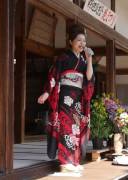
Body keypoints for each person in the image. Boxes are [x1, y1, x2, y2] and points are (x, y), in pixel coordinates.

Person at [37, 24, 95, 172]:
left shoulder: (82, 61)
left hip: (77, 101)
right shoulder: (63, 58)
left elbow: (89, 78)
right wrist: (47, 92)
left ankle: (74, 160)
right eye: (78, 40)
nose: (82, 44)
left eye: (84, 41)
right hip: (65, 98)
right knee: (66, 128)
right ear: (70, 41)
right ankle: (65, 161)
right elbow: (54, 76)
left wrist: (89, 60)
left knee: (75, 129)